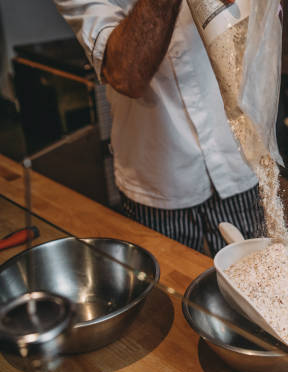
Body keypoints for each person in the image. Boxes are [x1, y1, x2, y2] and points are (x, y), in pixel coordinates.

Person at [54, 0, 265, 254]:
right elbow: (126, 74)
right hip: (158, 179)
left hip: (238, 155)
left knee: (257, 282)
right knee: (169, 287)